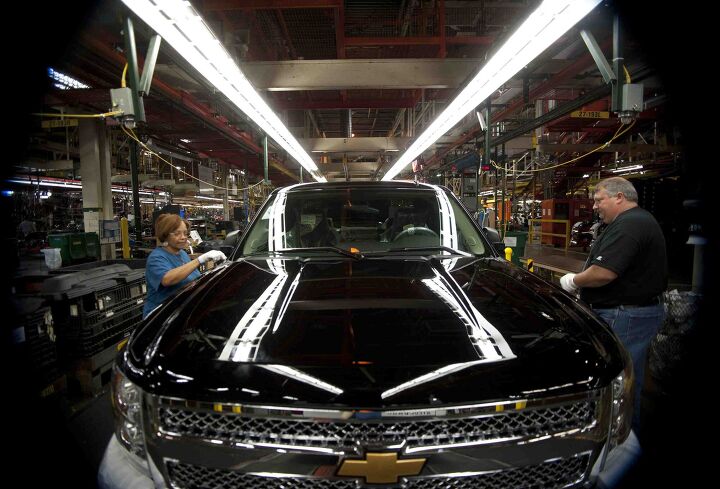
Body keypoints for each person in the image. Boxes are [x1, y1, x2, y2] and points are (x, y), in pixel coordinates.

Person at [559, 177, 667, 434]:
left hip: (625, 314)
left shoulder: (630, 225)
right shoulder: (633, 221)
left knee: (618, 381)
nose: (595, 206)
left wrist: (574, 281)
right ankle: (623, 432)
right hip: (628, 312)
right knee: (627, 376)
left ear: (619, 197)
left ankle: (620, 439)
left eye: (599, 200)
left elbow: (604, 273)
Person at [143, 213, 227, 318]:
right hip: (160, 316)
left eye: (185, 233)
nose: (183, 237)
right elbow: (167, 279)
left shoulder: (182, 254)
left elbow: (192, 279)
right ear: (166, 234)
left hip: (180, 310)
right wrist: (199, 260)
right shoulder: (156, 257)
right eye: (177, 233)